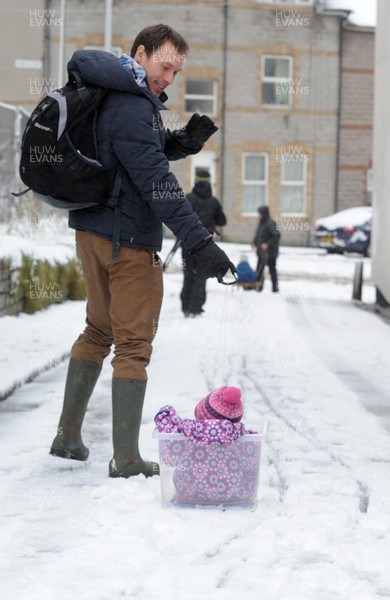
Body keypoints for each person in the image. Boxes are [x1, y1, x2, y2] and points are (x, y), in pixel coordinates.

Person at [49, 24, 235, 479]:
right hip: (127, 241)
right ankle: (127, 459)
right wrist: (200, 243)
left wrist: (181, 143)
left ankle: (68, 436)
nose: (170, 77)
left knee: (97, 331)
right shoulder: (133, 105)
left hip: (93, 231)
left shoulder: (110, 93)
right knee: (133, 345)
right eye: (164, 65)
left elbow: (130, 158)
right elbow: (157, 185)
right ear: (140, 54)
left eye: (177, 71)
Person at [154, 386, 259, 505]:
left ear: (200, 413)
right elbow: (250, 465)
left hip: (189, 493)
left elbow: (169, 459)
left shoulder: (186, 436)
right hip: (236, 496)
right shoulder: (243, 441)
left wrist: (167, 415)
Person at [180, 169, 227, 316]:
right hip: (205, 245)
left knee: (188, 274)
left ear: (196, 181)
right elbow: (222, 220)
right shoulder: (213, 202)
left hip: (187, 244)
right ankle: (196, 307)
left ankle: (186, 306)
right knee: (201, 275)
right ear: (209, 182)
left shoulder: (188, 198)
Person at [253, 205, 280, 292]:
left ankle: (275, 289)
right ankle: (259, 288)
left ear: (264, 214)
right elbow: (258, 235)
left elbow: (277, 236)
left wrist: (267, 244)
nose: (258, 215)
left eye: (259, 213)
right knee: (259, 270)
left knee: (272, 271)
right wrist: (254, 242)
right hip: (261, 252)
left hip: (270, 253)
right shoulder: (262, 222)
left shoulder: (270, 223)